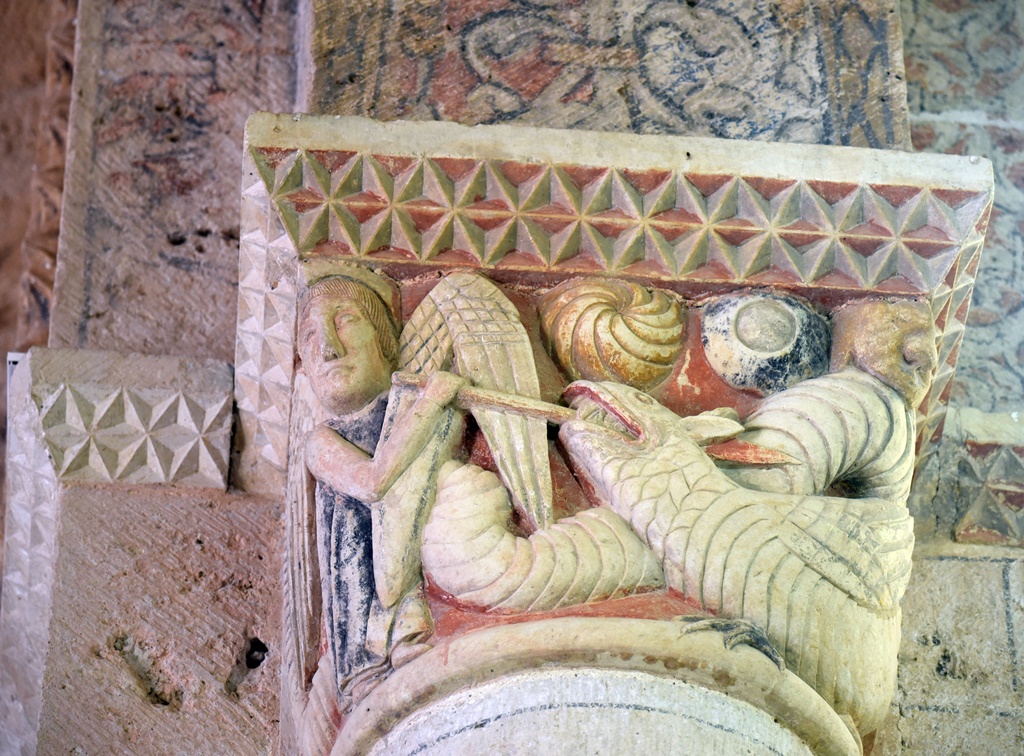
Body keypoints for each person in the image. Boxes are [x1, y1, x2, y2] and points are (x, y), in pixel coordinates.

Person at [297, 269, 463, 701]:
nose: (329, 348)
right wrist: (429, 405)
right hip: (365, 648)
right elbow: (374, 482)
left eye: (345, 320)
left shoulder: (401, 409)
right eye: (310, 336)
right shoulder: (321, 441)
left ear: (386, 343)